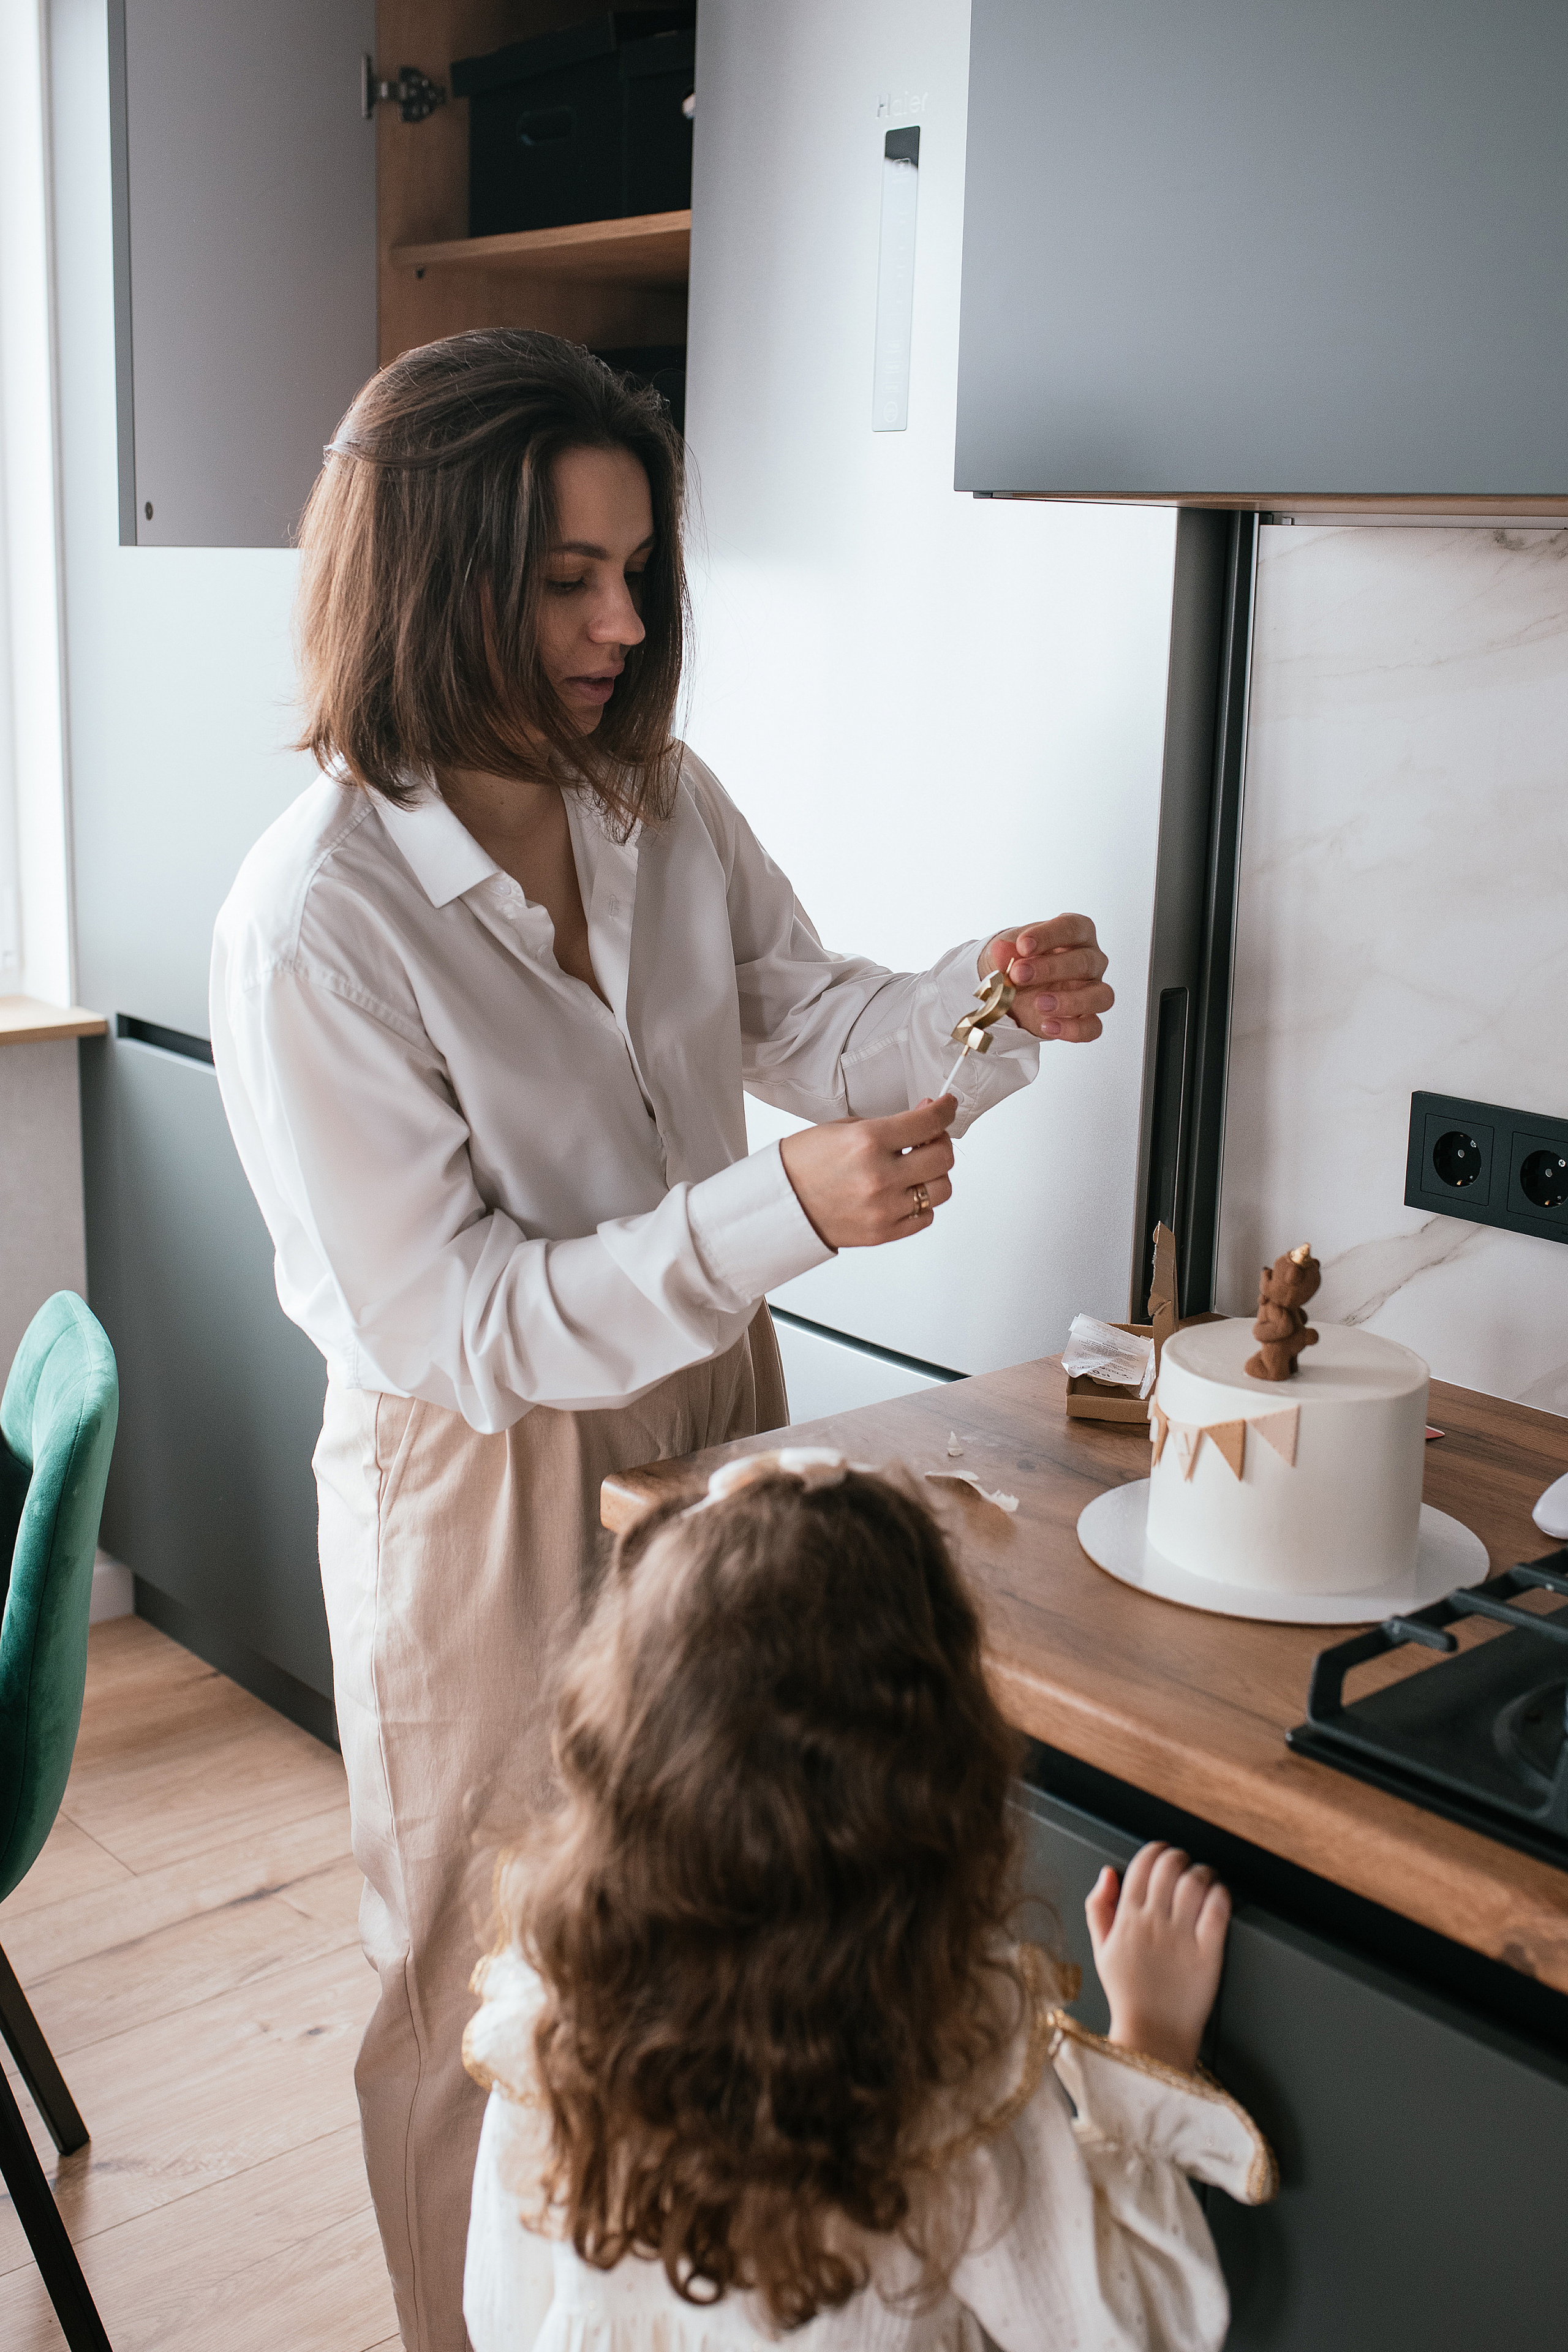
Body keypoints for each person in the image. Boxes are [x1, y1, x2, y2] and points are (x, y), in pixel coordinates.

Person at [209, 328, 1115, 2352]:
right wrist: (780, 1211)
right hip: (483, 1475)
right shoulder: (315, 922)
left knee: (704, 1925)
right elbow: (462, 1320)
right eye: (566, 580)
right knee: (483, 1988)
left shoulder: (656, 798)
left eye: (634, 571)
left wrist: (983, 1001)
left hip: (712, 1405)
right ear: (428, 574)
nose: (623, 624)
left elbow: (811, 1019)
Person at [462, 1452, 1276, 2351]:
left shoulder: (551, 2026)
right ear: (941, 1795)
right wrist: (1152, 2038)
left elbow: (504, 2318)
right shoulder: (945, 2083)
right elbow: (1122, 2330)